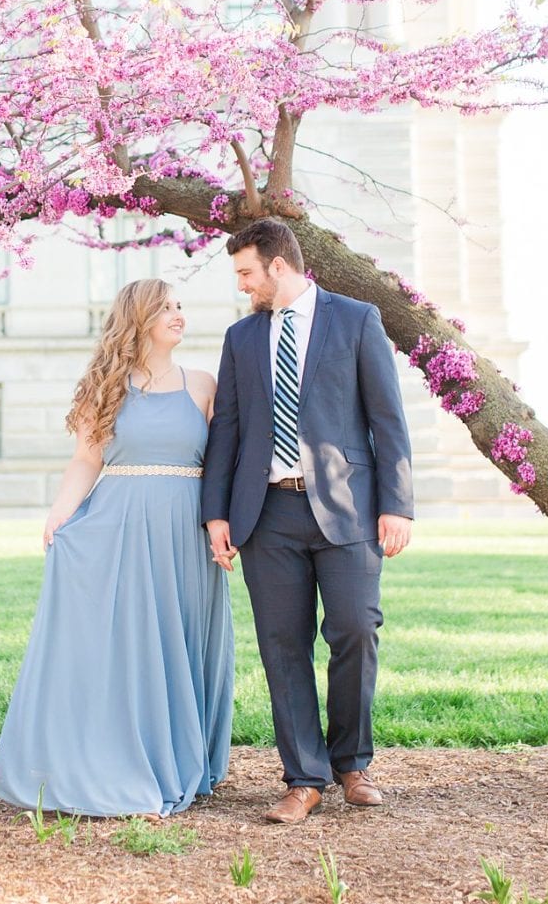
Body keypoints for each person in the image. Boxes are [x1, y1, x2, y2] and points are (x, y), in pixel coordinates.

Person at [0, 278, 234, 818]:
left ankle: (181, 757)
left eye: (179, 306)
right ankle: (121, 758)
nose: (178, 315)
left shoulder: (203, 384)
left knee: (182, 636)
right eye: (165, 308)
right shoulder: (108, 385)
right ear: (138, 319)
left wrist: (226, 524)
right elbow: (86, 460)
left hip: (185, 531)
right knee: (130, 645)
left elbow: (223, 464)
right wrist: (61, 511)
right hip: (118, 524)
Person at [201, 218, 414, 824]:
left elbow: (388, 420)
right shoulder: (242, 338)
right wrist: (216, 513)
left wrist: (396, 503)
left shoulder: (356, 319)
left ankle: (351, 763)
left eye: (246, 272)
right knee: (282, 646)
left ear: (277, 265)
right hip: (266, 514)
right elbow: (229, 430)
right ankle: (304, 777)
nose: (243, 286)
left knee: (355, 630)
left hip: (348, 510)